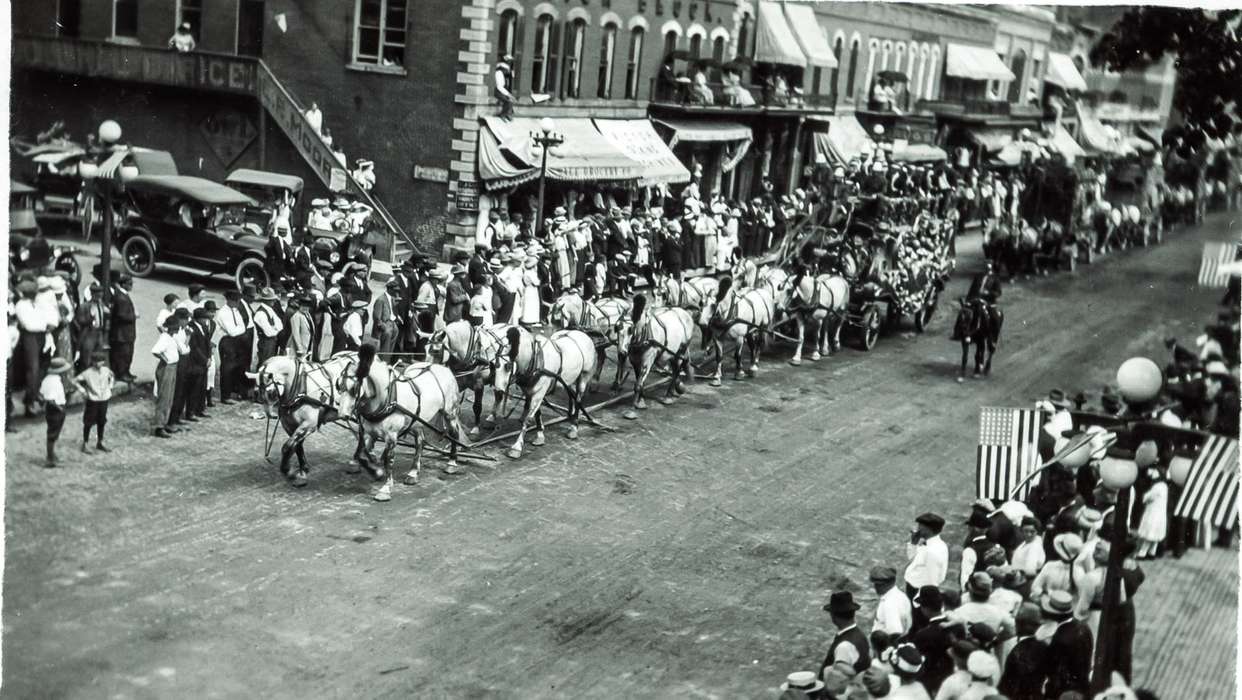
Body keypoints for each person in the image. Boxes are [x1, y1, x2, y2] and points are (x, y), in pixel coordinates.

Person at [1041, 591, 1093, 697]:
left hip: (1064, 692)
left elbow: (1055, 672)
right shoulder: (1084, 627)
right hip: (1083, 687)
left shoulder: (1059, 638)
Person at [820, 591, 870, 677]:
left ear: (833, 616)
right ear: (853, 613)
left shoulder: (844, 646)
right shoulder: (859, 634)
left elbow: (840, 680)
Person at [904, 512, 949, 598]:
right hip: (914, 588)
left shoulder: (932, 551)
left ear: (928, 529)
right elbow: (912, 560)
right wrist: (914, 543)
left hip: (919, 593)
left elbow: (932, 581)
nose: (917, 529)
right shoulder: (930, 544)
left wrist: (918, 601)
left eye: (920, 526)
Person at [151, 315, 182, 438]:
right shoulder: (164, 337)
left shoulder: (171, 337)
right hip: (167, 368)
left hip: (173, 367)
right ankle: (159, 427)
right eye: (176, 326)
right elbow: (155, 351)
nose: (178, 328)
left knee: (169, 397)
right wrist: (166, 360)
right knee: (164, 397)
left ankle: (165, 423)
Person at [216, 290, 249, 405]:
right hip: (227, 341)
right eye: (235, 301)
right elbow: (232, 332)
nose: (237, 303)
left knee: (237, 367)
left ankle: (233, 391)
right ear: (229, 300)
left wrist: (238, 329)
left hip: (237, 341)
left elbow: (243, 327)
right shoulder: (222, 313)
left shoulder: (235, 311)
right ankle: (225, 396)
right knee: (227, 369)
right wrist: (238, 329)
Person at [40, 357, 72, 466]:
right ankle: (50, 459)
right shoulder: (54, 382)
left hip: (52, 409)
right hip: (55, 409)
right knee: (52, 434)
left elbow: (42, 394)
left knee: (53, 433)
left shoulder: (47, 379)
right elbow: (51, 400)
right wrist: (61, 409)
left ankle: (51, 455)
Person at [109, 274, 138, 383]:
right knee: (123, 354)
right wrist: (134, 316)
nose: (131, 286)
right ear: (124, 284)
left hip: (126, 332)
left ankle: (126, 371)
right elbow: (121, 315)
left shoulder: (122, 295)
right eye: (129, 284)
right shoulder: (121, 298)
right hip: (123, 333)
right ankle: (122, 373)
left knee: (127, 353)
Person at [871, 565, 912, 637]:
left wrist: (888, 647)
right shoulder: (900, 595)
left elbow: (895, 632)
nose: (875, 587)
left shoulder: (889, 603)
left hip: (888, 645)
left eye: (877, 584)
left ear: (885, 584)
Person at [1136, 468, 1168, 559]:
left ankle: (1142, 553)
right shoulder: (1164, 486)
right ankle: (1152, 553)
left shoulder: (1157, 487)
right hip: (1160, 513)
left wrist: (1144, 497)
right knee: (1155, 535)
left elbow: (1148, 497)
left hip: (1153, 512)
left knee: (1149, 533)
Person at [253, 287, 284, 369]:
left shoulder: (270, 310)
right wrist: (275, 328)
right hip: (265, 343)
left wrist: (274, 328)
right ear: (265, 300)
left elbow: (280, 325)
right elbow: (268, 333)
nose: (274, 301)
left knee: (269, 364)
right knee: (264, 364)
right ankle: (258, 381)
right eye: (271, 299)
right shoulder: (260, 313)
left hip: (271, 342)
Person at [372, 279, 400, 356]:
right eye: (395, 290)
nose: (396, 292)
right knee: (385, 347)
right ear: (389, 289)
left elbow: (392, 311)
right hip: (385, 324)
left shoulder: (392, 298)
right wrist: (382, 326)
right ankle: (383, 361)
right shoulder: (381, 299)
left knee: (391, 346)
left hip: (393, 323)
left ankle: (387, 360)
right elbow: (377, 316)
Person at [495, 54, 515, 121]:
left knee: (511, 100)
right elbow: (499, 86)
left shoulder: (506, 76)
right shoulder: (499, 73)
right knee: (508, 101)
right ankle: (503, 114)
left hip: (503, 91)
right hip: (498, 91)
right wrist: (508, 94)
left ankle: (509, 113)